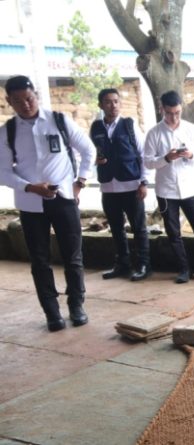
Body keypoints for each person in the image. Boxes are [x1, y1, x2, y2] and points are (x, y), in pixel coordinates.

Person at [0, 75, 95, 331]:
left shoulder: (59, 121)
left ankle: (76, 305)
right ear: (9, 101)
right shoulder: (7, 132)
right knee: (40, 260)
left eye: (29, 98)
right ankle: (52, 312)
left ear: (36, 96)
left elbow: (88, 150)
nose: (25, 104)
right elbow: (3, 171)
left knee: (73, 257)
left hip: (64, 200)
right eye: (18, 101)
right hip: (31, 205)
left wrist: (80, 182)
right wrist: (30, 187)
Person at [143, 91, 194, 285]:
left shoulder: (191, 129)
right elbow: (147, 162)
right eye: (169, 113)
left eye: (177, 112)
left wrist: (189, 155)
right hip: (166, 190)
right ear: (162, 109)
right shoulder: (154, 133)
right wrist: (166, 158)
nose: (173, 117)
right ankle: (183, 269)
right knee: (173, 233)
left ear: (181, 108)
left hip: (190, 188)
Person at [91, 88, 151, 282]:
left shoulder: (129, 125)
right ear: (101, 105)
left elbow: (143, 155)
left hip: (131, 185)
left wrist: (143, 182)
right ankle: (122, 263)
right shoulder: (96, 127)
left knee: (139, 228)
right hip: (108, 187)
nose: (113, 105)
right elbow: (89, 153)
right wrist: (94, 160)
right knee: (116, 228)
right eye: (108, 102)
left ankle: (143, 264)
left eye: (116, 101)